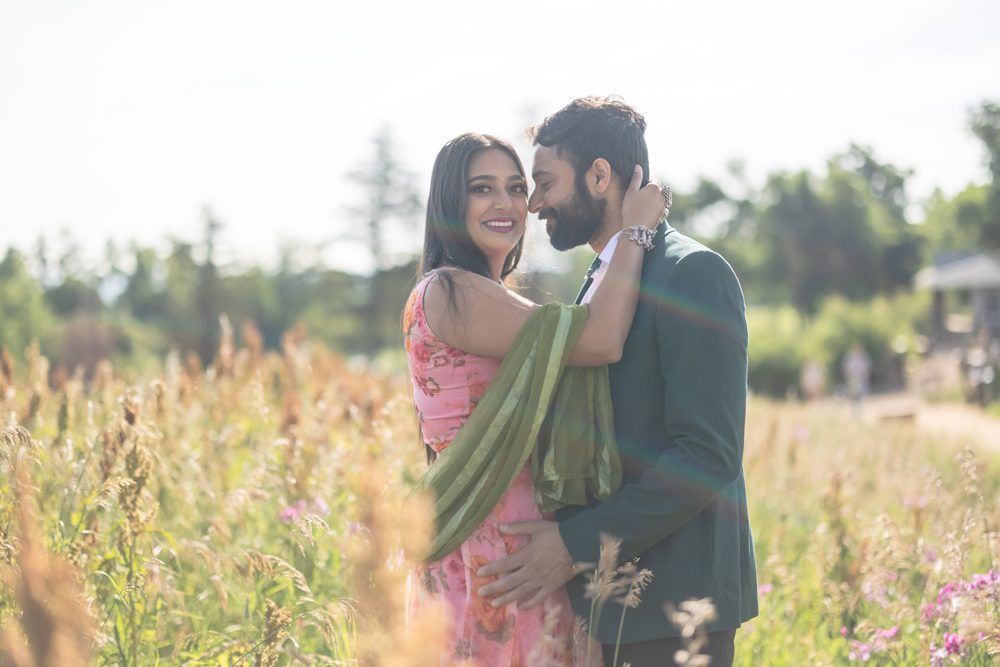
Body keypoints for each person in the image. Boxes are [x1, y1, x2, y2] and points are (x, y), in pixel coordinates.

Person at [475, 97, 758, 667]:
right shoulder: (604, 279)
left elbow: (707, 455)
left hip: (676, 610)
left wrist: (575, 547)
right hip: (610, 612)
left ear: (599, 175)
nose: (533, 203)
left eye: (546, 182)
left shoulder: (690, 273)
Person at [402, 131, 666, 664]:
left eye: (516, 187)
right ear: (451, 203)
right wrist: (636, 229)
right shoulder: (453, 290)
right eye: (482, 189)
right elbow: (598, 339)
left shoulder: (482, 295)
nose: (505, 203)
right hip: (493, 554)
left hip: (519, 547)